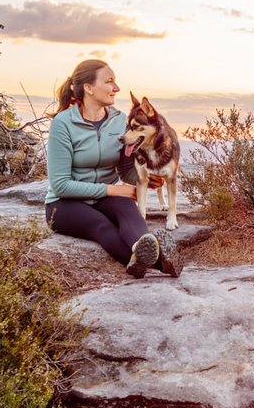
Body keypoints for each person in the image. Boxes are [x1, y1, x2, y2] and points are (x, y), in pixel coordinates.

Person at [45, 59, 181, 278]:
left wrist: (143, 177)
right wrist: (114, 190)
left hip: (105, 197)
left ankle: (142, 250)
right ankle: (162, 263)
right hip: (64, 204)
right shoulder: (63, 123)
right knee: (102, 225)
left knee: (129, 212)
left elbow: (126, 168)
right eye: (109, 81)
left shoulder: (119, 121)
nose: (116, 88)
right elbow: (60, 185)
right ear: (89, 88)